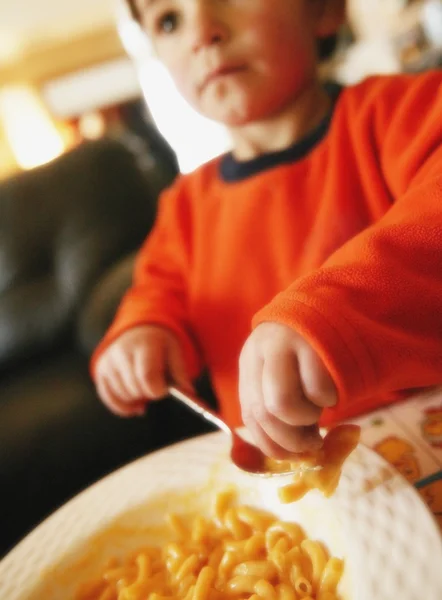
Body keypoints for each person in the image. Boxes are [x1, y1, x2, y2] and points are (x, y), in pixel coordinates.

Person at [91, 0, 442, 459]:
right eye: (169, 20)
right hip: (284, 487)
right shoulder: (184, 207)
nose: (203, 33)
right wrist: (142, 333)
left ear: (324, 10)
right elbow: (156, 293)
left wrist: (336, 314)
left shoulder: (403, 113)